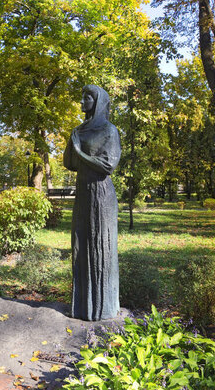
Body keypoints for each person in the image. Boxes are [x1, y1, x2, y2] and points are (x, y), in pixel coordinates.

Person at [63, 85, 121, 321]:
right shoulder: (78, 131)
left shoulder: (109, 131)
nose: (83, 100)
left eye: (89, 97)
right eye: (83, 96)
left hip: (101, 194)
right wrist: (72, 143)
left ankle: (104, 307)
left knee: (101, 248)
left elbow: (108, 165)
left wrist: (80, 151)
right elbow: (69, 163)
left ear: (98, 103)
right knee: (81, 246)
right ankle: (83, 307)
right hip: (83, 194)